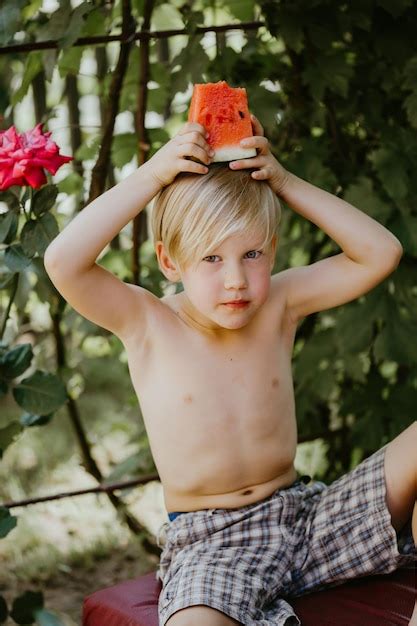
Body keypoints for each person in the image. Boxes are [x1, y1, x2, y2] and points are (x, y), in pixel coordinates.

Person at [44, 116, 417, 626]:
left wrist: (282, 180)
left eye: (252, 254)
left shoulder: (278, 305)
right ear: (170, 261)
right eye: (212, 258)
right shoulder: (147, 322)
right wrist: (154, 174)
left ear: (271, 252)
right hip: (214, 543)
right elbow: (64, 262)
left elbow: (381, 252)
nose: (236, 280)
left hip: (308, 519)